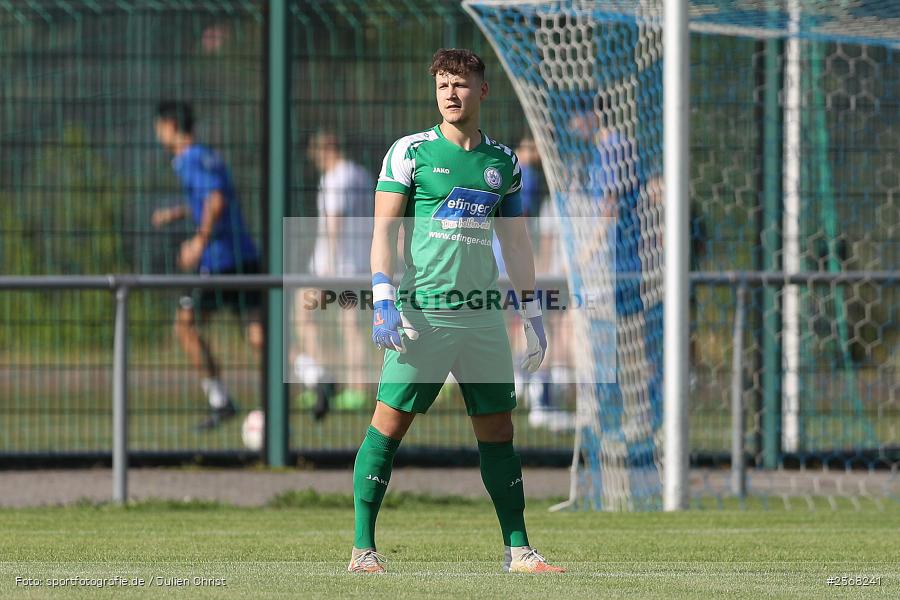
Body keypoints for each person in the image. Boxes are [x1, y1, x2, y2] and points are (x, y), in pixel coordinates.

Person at [347, 48, 565, 575]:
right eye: (443, 84)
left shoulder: (503, 163)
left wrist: (532, 312)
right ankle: (362, 550)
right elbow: (383, 233)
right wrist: (382, 297)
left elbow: (516, 244)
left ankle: (519, 551)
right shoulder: (410, 152)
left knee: (499, 432)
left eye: (461, 83)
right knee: (388, 427)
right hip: (422, 314)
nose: (450, 93)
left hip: (483, 318)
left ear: (482, 91)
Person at [151, 101, 263, 430]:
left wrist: (198, 243)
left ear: (171, 126)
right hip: (244, 254)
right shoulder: (208, 155)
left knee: (185, 325)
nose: (158, 135)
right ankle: (311, 376)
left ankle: (220, 400)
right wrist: (177, 213)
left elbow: (215, 200)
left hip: (217, 261)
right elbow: (209, 198)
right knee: (258, 333)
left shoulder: (188, 159)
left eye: (159, 128)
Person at [293, 131, 374, 413]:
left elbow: (334, 221)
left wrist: (328, 264)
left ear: (325, 149)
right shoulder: (361, 175)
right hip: (359, 262)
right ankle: (357, 388)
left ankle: (323, 380)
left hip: (335, 266)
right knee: (351, 325)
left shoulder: (335, 178)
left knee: (302, 313)